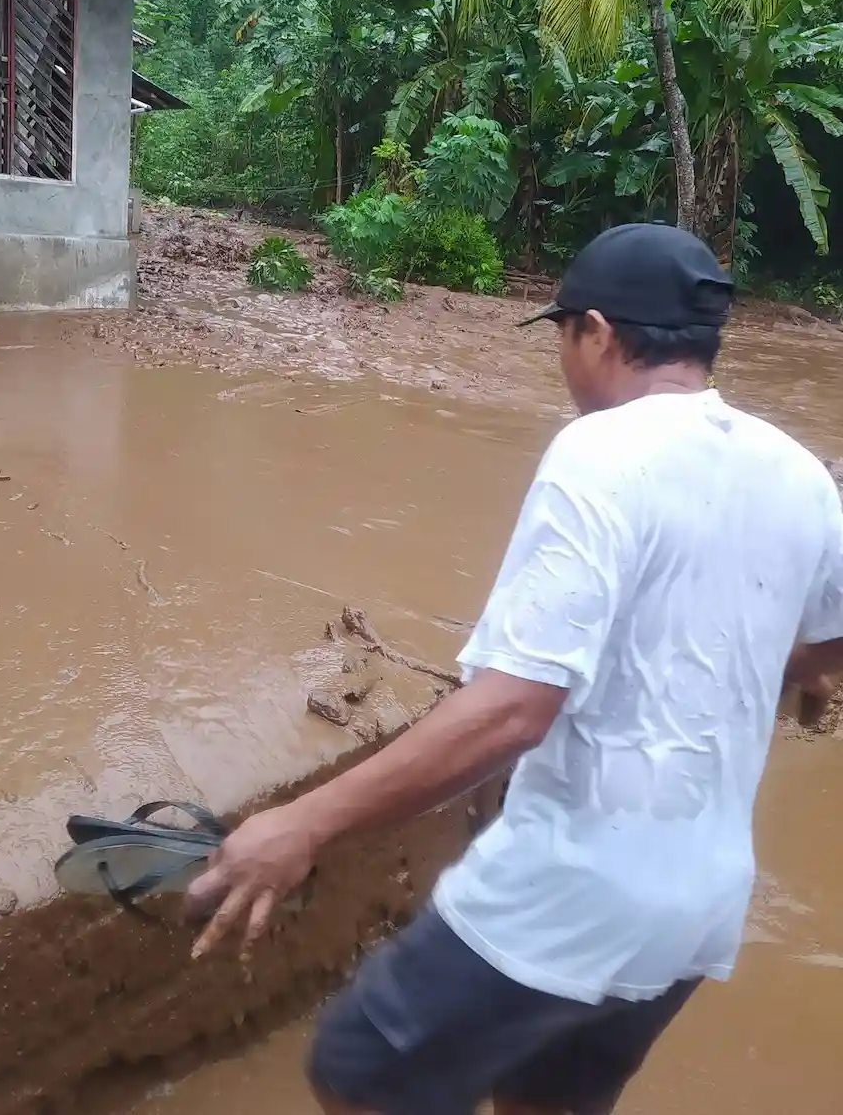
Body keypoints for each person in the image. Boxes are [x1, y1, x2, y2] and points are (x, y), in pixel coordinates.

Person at [186, 222, 843, 1115]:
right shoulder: (803, 476)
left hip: (570, 893)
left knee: (356, 1070)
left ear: (598, 334)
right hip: (698, 915)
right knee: (549, 1104)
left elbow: (512, 713)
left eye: (565, 336)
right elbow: (826, 647)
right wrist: (782, 664)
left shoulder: (601, 453)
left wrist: (302, 825)